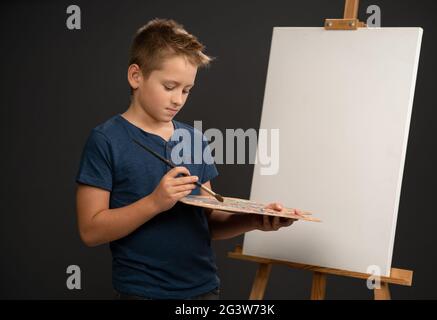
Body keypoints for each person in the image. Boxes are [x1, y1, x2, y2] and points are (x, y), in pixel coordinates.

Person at [75, 18, 301, 300]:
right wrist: (155, 202)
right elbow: (91, 230)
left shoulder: (194, 139)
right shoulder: (106, 140)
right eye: (169, 86)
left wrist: (254, 220)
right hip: (143, 292)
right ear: (136, 76)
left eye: (186, 90)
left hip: (204, 289)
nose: (178, 100)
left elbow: (208, 222)